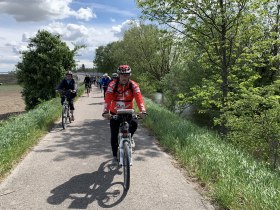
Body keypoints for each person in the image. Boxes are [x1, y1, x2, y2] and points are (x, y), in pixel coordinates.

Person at [102, 65, 147, 162]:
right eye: (122, 75)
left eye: (126, 75)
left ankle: (129, 137)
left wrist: (143, 110)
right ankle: (114, 156)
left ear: (129, 75)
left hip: (128, 112)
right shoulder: (112, 85)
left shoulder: (133, 85)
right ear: (118, 75)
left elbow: (139, 98)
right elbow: (108, 98)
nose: (124, 77)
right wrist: (106, 111)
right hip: (115, 112)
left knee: (134, 123)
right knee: (114, 135)